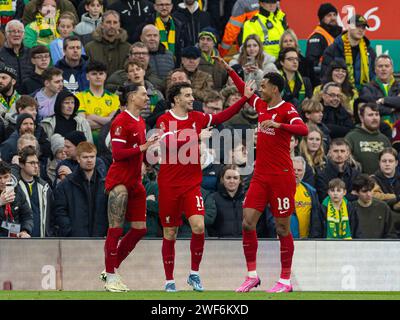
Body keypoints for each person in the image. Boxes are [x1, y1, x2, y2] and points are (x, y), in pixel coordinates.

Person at [214, 55, 308, 293]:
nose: (259, 89)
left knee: (282, 228)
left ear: (274, 89)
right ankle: (252, 275)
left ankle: (285, 280)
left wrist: (280, 126)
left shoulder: (287, 109)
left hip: (282, 176)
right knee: (247, 223)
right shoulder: (261, 106)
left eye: (263, 86)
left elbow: (303, 129)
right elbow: (244, 91)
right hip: (260, 175)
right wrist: (229, 70)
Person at [156, 81, 254, 292]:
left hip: (191, 184)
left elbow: (221, 117)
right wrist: (195, 137)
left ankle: (194, 273)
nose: (193, 99)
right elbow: (166, 143)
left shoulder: (197, 118)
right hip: (169, 185)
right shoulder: (165, 119)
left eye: (192, 94)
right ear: (177, 99)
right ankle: (169, 280)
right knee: (170, 232)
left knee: (199, 226)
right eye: (188, 95)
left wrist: (244, 98)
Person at [102, 84, 159, 292]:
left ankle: (112, 266)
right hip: (119, 181)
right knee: (115, 228)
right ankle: (110, 276)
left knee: (140, 229)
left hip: (136, 181)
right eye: (144, 94)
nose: (147, 98)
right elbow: (117, 154)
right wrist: (142, 147)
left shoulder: (140, 121)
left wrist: (149, 153)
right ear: (132, 96)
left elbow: (136, 153)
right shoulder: (120, 121)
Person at [53, 141, 108, 237]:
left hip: (99, 239)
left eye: (92, 157)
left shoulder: (104, 184)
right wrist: (70, 231)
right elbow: (60, 211)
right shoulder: (65, 185)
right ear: (78, 159)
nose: (89, 160)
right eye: (85, 157)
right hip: (75, 241)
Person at [322, 14, 376, 93]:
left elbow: (373, 76)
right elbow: (325, 75)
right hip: (338, 93)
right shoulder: (333, 49)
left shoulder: (370, 51)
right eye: (357, 26)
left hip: (363, 93)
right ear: (349, 27)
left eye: (363, 27)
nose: (361, 30)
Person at [75, 60, 119, 144]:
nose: (98, 77)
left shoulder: (115, 98)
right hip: (88, 142)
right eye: (94, 74)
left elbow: (114, 122)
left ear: (105, 76)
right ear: (87, 76)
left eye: (101, 73)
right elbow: (83, 123)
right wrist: (106, 122)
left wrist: (92, 117)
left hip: (108, 142)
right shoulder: (79, 97)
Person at [17, 145, 53, 237]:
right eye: (32, 163)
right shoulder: (14, 186)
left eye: (37, 163)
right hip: (20, 240)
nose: (36, 166)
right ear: (21, 164)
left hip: (42, 240)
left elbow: (52, 214)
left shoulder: (45, 187)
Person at [345, 102, 391, 174]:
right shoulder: (351, 138)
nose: (374, 118)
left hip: (383, 183)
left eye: (377, 114)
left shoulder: (384, 139)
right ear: (361, 118)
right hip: (360, 182)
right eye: (370, 115)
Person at [84, 10, 131, 77]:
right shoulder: (89, 48)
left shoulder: (127, 48)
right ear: (102, 25)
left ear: (119, 25)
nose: (112, 26)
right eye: (108, 22)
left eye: (115, 22)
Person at [360, 54, 400, 128]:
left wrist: (384, 100)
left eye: (387, 66)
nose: (383, 69)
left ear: (392, 69)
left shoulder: (399, 86)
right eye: (380, 66)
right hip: (378, 129)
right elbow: (370, 109)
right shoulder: (367, 88)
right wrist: (392, 108)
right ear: (375, 69)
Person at [351, 174, 397, 239]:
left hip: (380, 247)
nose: (369, 194)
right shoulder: (350, 209)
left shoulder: (383, 207)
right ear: (356, 192)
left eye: (370, 190)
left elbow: (391, 234)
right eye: (364, 191)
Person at [315, 138, 360, 202]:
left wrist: (334, 197)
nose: (339, 154)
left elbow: (358, 196)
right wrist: (349, 196)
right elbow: (324, 198)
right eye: (336, 151)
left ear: (348, 153)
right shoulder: (321, 173)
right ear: (330, 153)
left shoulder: (355, 173)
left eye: (342, 151)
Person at [0, 160, 33, 238]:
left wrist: (25, 231)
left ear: (10, 176)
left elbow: (27, 215)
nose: (2, 181)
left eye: (5, 177)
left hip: (15, 239)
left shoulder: (18, 191)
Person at [306, 3, 342, 71]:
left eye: (334, 15)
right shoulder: (317, 37)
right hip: (324, 77)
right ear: (322, 19)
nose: (333, 18)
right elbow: (312, 64)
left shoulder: (340, 35)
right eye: (329, 15)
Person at [211, 164, 245, 238]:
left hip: (245, 243)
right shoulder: (213, 198)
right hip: (221, 245)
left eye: (235, 178)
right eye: (228, 178)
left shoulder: (248, 198)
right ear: (222, 179)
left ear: (240, 180)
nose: (231, 181)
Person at [0, 20, 34, 92]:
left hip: (30, 96)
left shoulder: (31, 53)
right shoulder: (0, 54)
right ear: (6, 34)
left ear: (24, 35)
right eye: (12, 31)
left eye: (19, 31)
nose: (16, 34)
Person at [292, 156, 321, 239]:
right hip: (286, 240)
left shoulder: (311, 191)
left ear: (304, 172)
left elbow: (316, 218)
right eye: (293, 170)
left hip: (307, 241)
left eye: (299, 170)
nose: (296, 173)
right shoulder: (279, 190)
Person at [197, 27, 228, 92]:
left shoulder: (220, 61)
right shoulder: (193, 59)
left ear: (214, 43)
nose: (205, 42)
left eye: (208, 39)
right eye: (202, 39)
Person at [371, 148, 400, 212]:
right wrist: (397, 197)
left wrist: (396, 206)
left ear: (396, 163)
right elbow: (375, 197)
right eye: (384, 161)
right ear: (379, 163)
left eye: (391, 161)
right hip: (381, 216)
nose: (387, 164)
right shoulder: (372, 180)